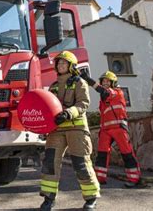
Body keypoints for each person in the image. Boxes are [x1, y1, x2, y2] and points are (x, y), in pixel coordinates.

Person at [40, 51, 100, 211]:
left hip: (76, 128)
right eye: (59, 63)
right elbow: (47, 108)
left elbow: (83, 104)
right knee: (50, 163)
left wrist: (69, 113)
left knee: (81, 164)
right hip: (56, 130)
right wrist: (42, 126)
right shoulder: (52, 86)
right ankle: (48, 198)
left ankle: (91, 198)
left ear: (71, 66)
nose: (60, 66)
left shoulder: (79, 82)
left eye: (64, 63)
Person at [80, 70, 142, 188]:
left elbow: (103, 91)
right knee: (102, 154)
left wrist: (88, 79)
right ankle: (100, 178)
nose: (105, 83)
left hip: (118, 127)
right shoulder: (104, 98)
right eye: (103, 81)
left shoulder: (117, 92)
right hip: (105, 129)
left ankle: (134, 178)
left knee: (127, 153)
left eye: (108, 81)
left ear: (113, 82)